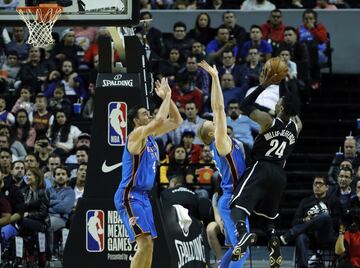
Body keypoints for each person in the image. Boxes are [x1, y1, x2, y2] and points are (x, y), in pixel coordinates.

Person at [229, 59, 303, 268]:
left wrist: (264, 85)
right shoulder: (296, 127)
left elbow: (243, 106)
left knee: (236, 205)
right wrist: (286, 83)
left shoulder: (268, 121)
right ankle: (273, 241)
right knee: (267, 216)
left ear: (280, 106)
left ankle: (243, 235)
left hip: (262, 167)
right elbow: (295, 109)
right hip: (280, 175)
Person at [113, 78, 182, 268]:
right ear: (136, 120)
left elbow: (177, 120)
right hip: (129, 194)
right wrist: (166, 95)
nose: (149, 116)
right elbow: (160, 119)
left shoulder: (151, 136)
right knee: (143, 244)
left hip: (143, 195)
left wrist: (170, 98)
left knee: (149, 245)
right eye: (145, 114)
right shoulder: (136, 135)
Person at [198, 60, 249, 268]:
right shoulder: (220, 142)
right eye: (211, 122)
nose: (215, 120)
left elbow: (219, 111)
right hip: (230, 201)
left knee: (239, 247)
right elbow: (218, 107)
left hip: (237, 198)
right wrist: (215, 78)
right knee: (241, 249)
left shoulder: (225, 140)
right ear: (211, 132)